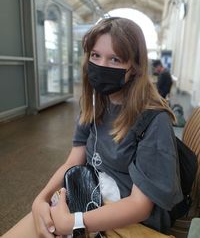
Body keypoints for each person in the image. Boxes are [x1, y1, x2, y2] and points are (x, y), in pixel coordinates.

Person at [2, 17, 183, 238]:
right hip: (88, 195)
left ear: (135, 67)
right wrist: (40, 199)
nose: (101, 66)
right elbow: (73, 161)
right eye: (96, 55)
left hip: (125, 217)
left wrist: (74, 222)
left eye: (115, 59)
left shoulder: (153, 120)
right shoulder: (95, 105)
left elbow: (139, 206)